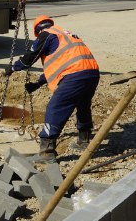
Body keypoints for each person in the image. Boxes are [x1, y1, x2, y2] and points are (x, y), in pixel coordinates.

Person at [6, 15, 100, 163]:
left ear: (38, 30)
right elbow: (59, 65)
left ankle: (47, 152)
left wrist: (13, 67)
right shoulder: (65, 34)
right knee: (83, 104)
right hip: (92, 73)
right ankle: (84, 140)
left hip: (74, 75)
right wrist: (38, 83)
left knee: (55, 108)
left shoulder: (46, 35)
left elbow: (29, 58)